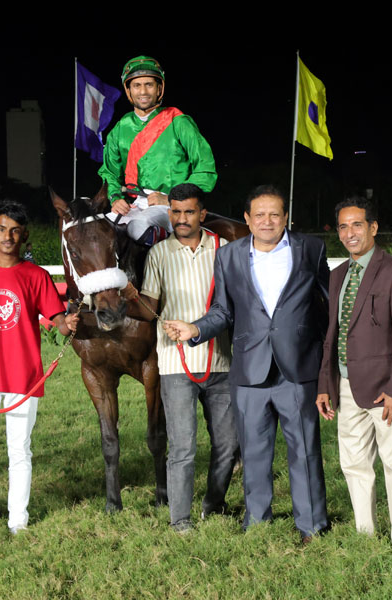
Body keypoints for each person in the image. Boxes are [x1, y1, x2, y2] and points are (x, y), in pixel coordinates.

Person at [165, 185, 331, 543]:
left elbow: (326, 307)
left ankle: (312, 525)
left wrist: (325, 362)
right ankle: (257, 521)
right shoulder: (229, 256)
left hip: (299, 369)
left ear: (285, 217)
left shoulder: (311, 249)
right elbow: (223, 311)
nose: (267, 221)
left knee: (304, 451)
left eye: (274, 214)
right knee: (254, 453)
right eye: (259, 215)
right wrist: (195, 329)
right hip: (249, 371)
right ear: (247, 219)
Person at [122, 183, 238, 533]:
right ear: (168, 212)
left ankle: (214, 505)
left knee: (228, 445)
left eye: (189, 212)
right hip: (175, 366)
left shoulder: (224, 248)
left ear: (203, 214)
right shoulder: (158, 253)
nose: (181, 218)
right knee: (183, 447)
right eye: (175, 211)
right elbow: (149, 309)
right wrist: (128, 297)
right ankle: (180, 519)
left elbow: (236, 304)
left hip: (221, 363)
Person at [0, 200, 78, 533]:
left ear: (24, 236)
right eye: (1, 229)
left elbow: (58, 321)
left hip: (24, 378)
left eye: (15, 231)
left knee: (19, 451)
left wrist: (68, 323)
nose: (7, 236)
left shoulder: (36, 276)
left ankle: (18, 521)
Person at [315, 197, 392, 551]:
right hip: (346, 387)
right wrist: (325, 384)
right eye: (343, 226)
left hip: (387, 391)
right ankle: (366, 538)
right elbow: (332, 336)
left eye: (357, 225)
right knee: (354, 465)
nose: (350, 233)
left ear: (373, 227)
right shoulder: (337, 276)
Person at [98, 55, 217, 245]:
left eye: (149, 85)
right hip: (135, 205)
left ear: (159, 88)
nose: (143, 91)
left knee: (137, 227)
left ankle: (170, 254)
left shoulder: (179, 122)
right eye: (137, 85)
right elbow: (110, 173)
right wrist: (115, 198)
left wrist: (172, 198)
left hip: (173, 206)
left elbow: (205, 169)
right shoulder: (120, 129)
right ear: (128, 90)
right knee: (96, 230)